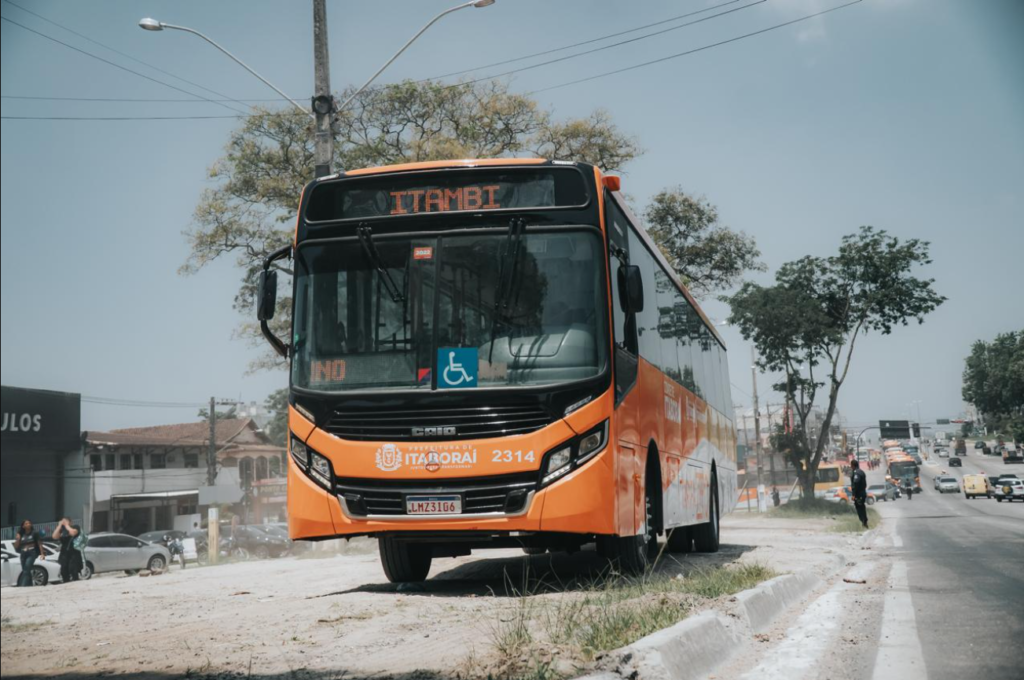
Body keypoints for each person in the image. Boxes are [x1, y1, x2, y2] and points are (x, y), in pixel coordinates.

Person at [13, 520, 44, 587]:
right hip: (23, 554)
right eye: (26, 523)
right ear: (23, 526)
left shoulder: (34, 533)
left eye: (29, 523)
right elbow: (16, 546)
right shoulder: (21, 534)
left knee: (26, 569)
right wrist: (18, 539)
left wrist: (42, 553)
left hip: (32, 553)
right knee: (26, 570)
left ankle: (22, 585)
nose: (28, 524)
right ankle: (29, 585)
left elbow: (39, 543)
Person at [53, 517, 83, 583]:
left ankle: (76, 580)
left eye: (65, 521)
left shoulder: (75, 527)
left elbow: (73, 533)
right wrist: (59, 526)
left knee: (72, 568)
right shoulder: (61, 530)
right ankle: (66, 581)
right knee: (63, 569)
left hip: (74, 552)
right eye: (62, 521)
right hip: (64, 552)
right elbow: (54, 537)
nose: (63, 522)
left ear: (70, 522)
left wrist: (67, 525)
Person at [850, 459, 869, 529]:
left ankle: (863, 522)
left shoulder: (856, 473)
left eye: (851, 465)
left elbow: (856, 483)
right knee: (862, 507)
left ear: (853, 465)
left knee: (859, 508)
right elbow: (865, 484)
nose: (850, 467)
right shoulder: (862, 472)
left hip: (859, 494)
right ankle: (865, 522)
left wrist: (854, 494)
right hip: (863, 492)